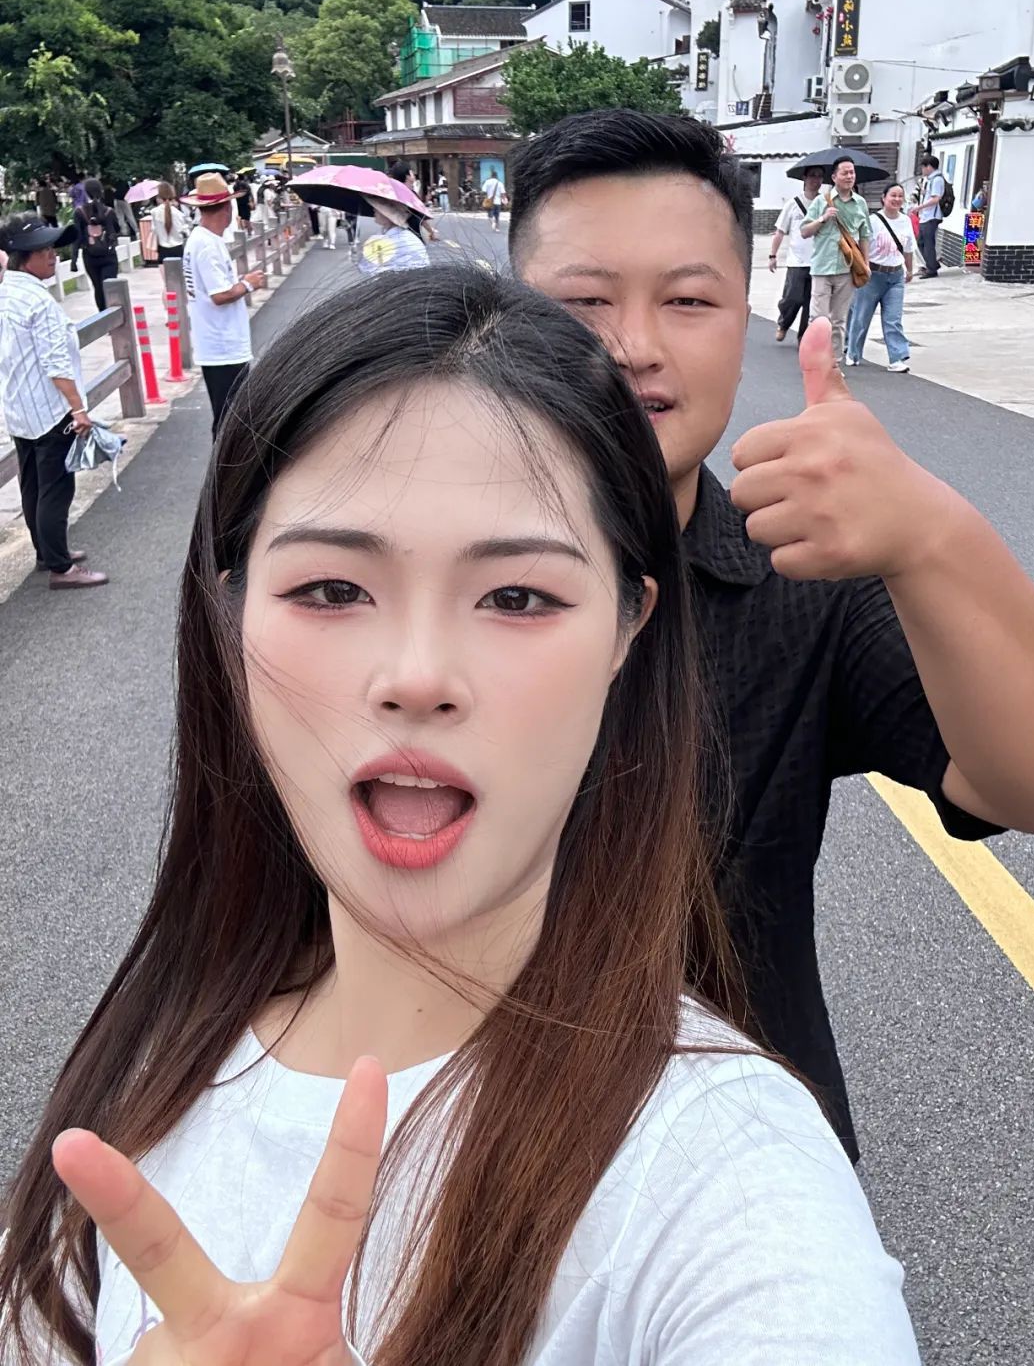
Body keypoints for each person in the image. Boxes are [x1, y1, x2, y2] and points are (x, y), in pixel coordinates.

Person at [0, 265, 919, 1366]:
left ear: (629, 627)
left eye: (517, 596)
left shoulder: (729, 1171)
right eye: (331, 589)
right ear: (230, 608)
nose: (419, 676)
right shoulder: (150, 1071)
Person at [507, 108, 1034, 1162]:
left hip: (749, 1161)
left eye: (689, 300)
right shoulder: (388, 584)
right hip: (453, 1146)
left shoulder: (799, 577)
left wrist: (931, 535)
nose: (634, 347)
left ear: (744, 321)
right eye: (583, 302)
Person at [0, 212, 107, 588]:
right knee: (56, 489)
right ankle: (62, 568)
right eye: (43, 250)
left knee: (32, 485)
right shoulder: (38, 302)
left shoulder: (6, 292)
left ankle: (47, 553)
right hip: (50, 410)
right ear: (23, 256)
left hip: (20, 407)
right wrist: (78, 408)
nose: (53, 256)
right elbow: (56, 363)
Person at [180, 172, 266, 437]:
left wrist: (240, 282)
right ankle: (225, 460)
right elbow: (219, 295)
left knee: (229, 414)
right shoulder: (207, 245)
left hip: (216, 339)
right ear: (227, 207)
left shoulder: (202, 240)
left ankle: (228, 458)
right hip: (222, 342)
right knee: (230, 416)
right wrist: (248, 284)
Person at [801, 155, 870, 366]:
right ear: (834, 177)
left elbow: (865, 235)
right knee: (818, 319)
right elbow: (804, 231)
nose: (849, 176)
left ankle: (834, 363)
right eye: (845, 172)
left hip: (847, 268)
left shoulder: (860, 203)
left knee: (839, 320)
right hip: (822, 267)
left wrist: (866, 264)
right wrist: (822, 218)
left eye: (852, 172)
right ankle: (814, 361)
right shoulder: (821, 201)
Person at [845, 181, 915, 372]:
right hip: (872, 275)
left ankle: (897, 358)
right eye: (893, 195)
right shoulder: (873, 221)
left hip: (896, 276)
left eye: (900, 196)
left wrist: (909, 270)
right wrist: (863, 267)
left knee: (893, 318)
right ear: (883, 198)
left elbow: (908, 249)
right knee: (861, 317)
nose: (897, 199)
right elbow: (863, 246)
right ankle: (853, 352)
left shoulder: (906, 221)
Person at [768, 166, 824, 344]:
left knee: (811, 303)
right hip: (797, 261)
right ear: (804, 178)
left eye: (819, 176)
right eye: (812, 176)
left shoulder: (825, 204)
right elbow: (780, 231)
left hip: (818, 261)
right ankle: (784, 323)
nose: (816, 180)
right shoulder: (793, 204)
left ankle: (803, 337)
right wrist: (772, 255)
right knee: (793, 297)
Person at [74, 179, 121, 312]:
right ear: (101, 191)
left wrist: (73, 260)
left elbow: (77, 237)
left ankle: (103, 315)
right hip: (109, 255)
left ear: (86, 192)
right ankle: (114, 315)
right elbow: (117, 229)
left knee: (98, 289)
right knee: (110, 288)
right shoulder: (109, 211)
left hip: (90, 256)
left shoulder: (80, 213)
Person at [355, 194, 430, 275]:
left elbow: (368, 269)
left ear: (387, 215)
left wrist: (366, 252)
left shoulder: (390, 239)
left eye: (378, 209)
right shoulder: (402, 235)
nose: (374, 210)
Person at [149, 182, 192, 294]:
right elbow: (185, 231)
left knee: (167, 286)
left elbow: (153, 230)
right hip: (178, 250)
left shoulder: (154, 213)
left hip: (163, 251)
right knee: (180, 284)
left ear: (159, 197)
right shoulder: (179, 214)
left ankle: (168, 305)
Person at [388, 161, 439, 244]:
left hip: (395, 234)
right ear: (407, 176)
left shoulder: (394, 193)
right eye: (411, 172)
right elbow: (421, 217)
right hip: (412, 236)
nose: (414, 174)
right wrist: (431, 231)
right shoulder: (410, 195)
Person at [916, 154, 947, 278]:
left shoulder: (937, 180)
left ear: (929, 167)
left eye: (923, 167)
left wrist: (919, 207)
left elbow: (935, 199)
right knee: (921, 242)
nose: (922, 170)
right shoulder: (930, 180)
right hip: (926, 216)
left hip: (931, 217)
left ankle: (931, 269)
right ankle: (932, 264)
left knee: (927, 243)